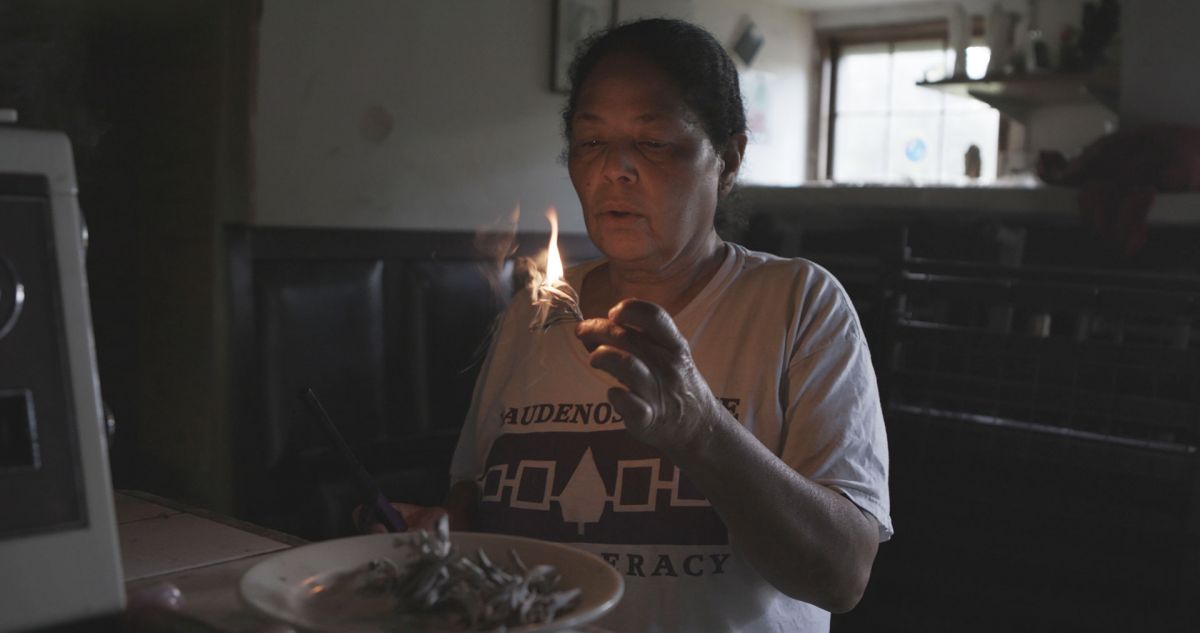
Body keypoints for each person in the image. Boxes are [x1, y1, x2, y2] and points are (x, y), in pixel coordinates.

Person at [394, 18, 892, 633]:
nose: (615, 170)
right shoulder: (534, 312)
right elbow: (474, 495)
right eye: (591, 142)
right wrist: (439, 531)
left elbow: (841, 576)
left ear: (728, 159)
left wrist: (702, 431)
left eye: (654, 143)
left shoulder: (797, 303)